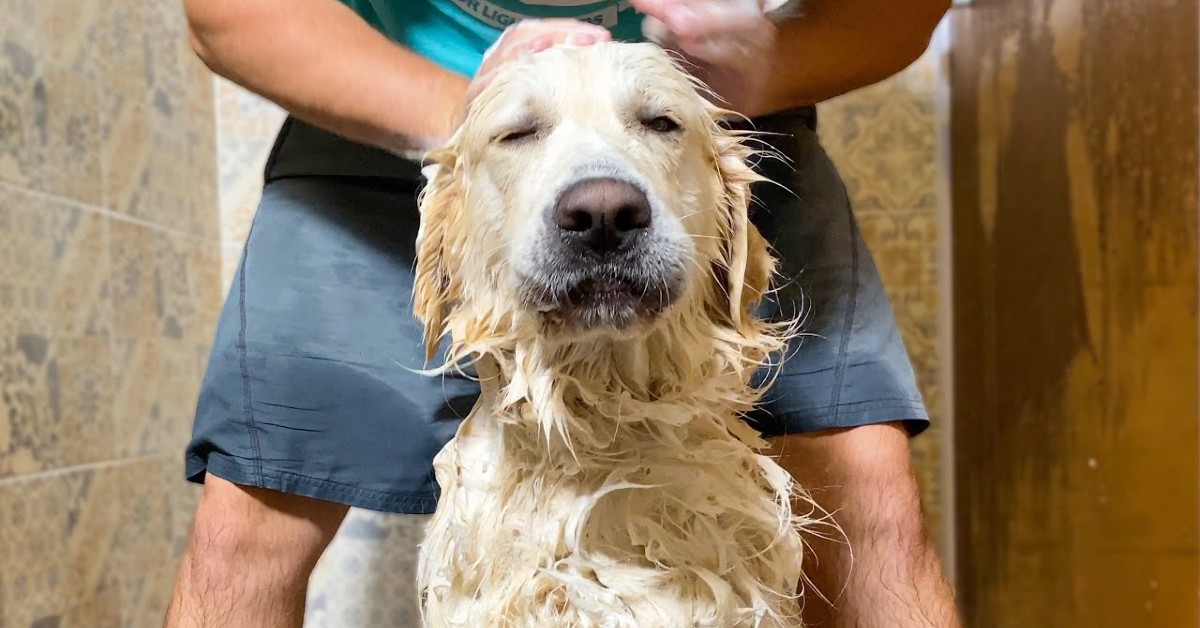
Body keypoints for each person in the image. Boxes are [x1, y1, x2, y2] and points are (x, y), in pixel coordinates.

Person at [166, 0, 959, 626]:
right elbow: (230, 10)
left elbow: (899, 9)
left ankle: (593, 122)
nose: (598, 202)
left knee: (871, 511)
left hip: (710, 110)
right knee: (246, 529)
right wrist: (478, 117)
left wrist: (778, 60)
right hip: (391, 87)